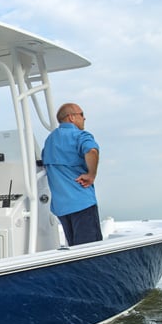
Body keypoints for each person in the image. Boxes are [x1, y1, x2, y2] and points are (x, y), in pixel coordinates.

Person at [42, 102, 102, 246]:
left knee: (75, 250)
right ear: (71, 117)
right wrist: (91, 175)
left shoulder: (50, 140)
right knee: (90, 252)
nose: (84, 118)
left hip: (61, 208)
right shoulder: (79, 135)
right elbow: (91, 151)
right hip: (82, 203)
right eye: (81, 114)